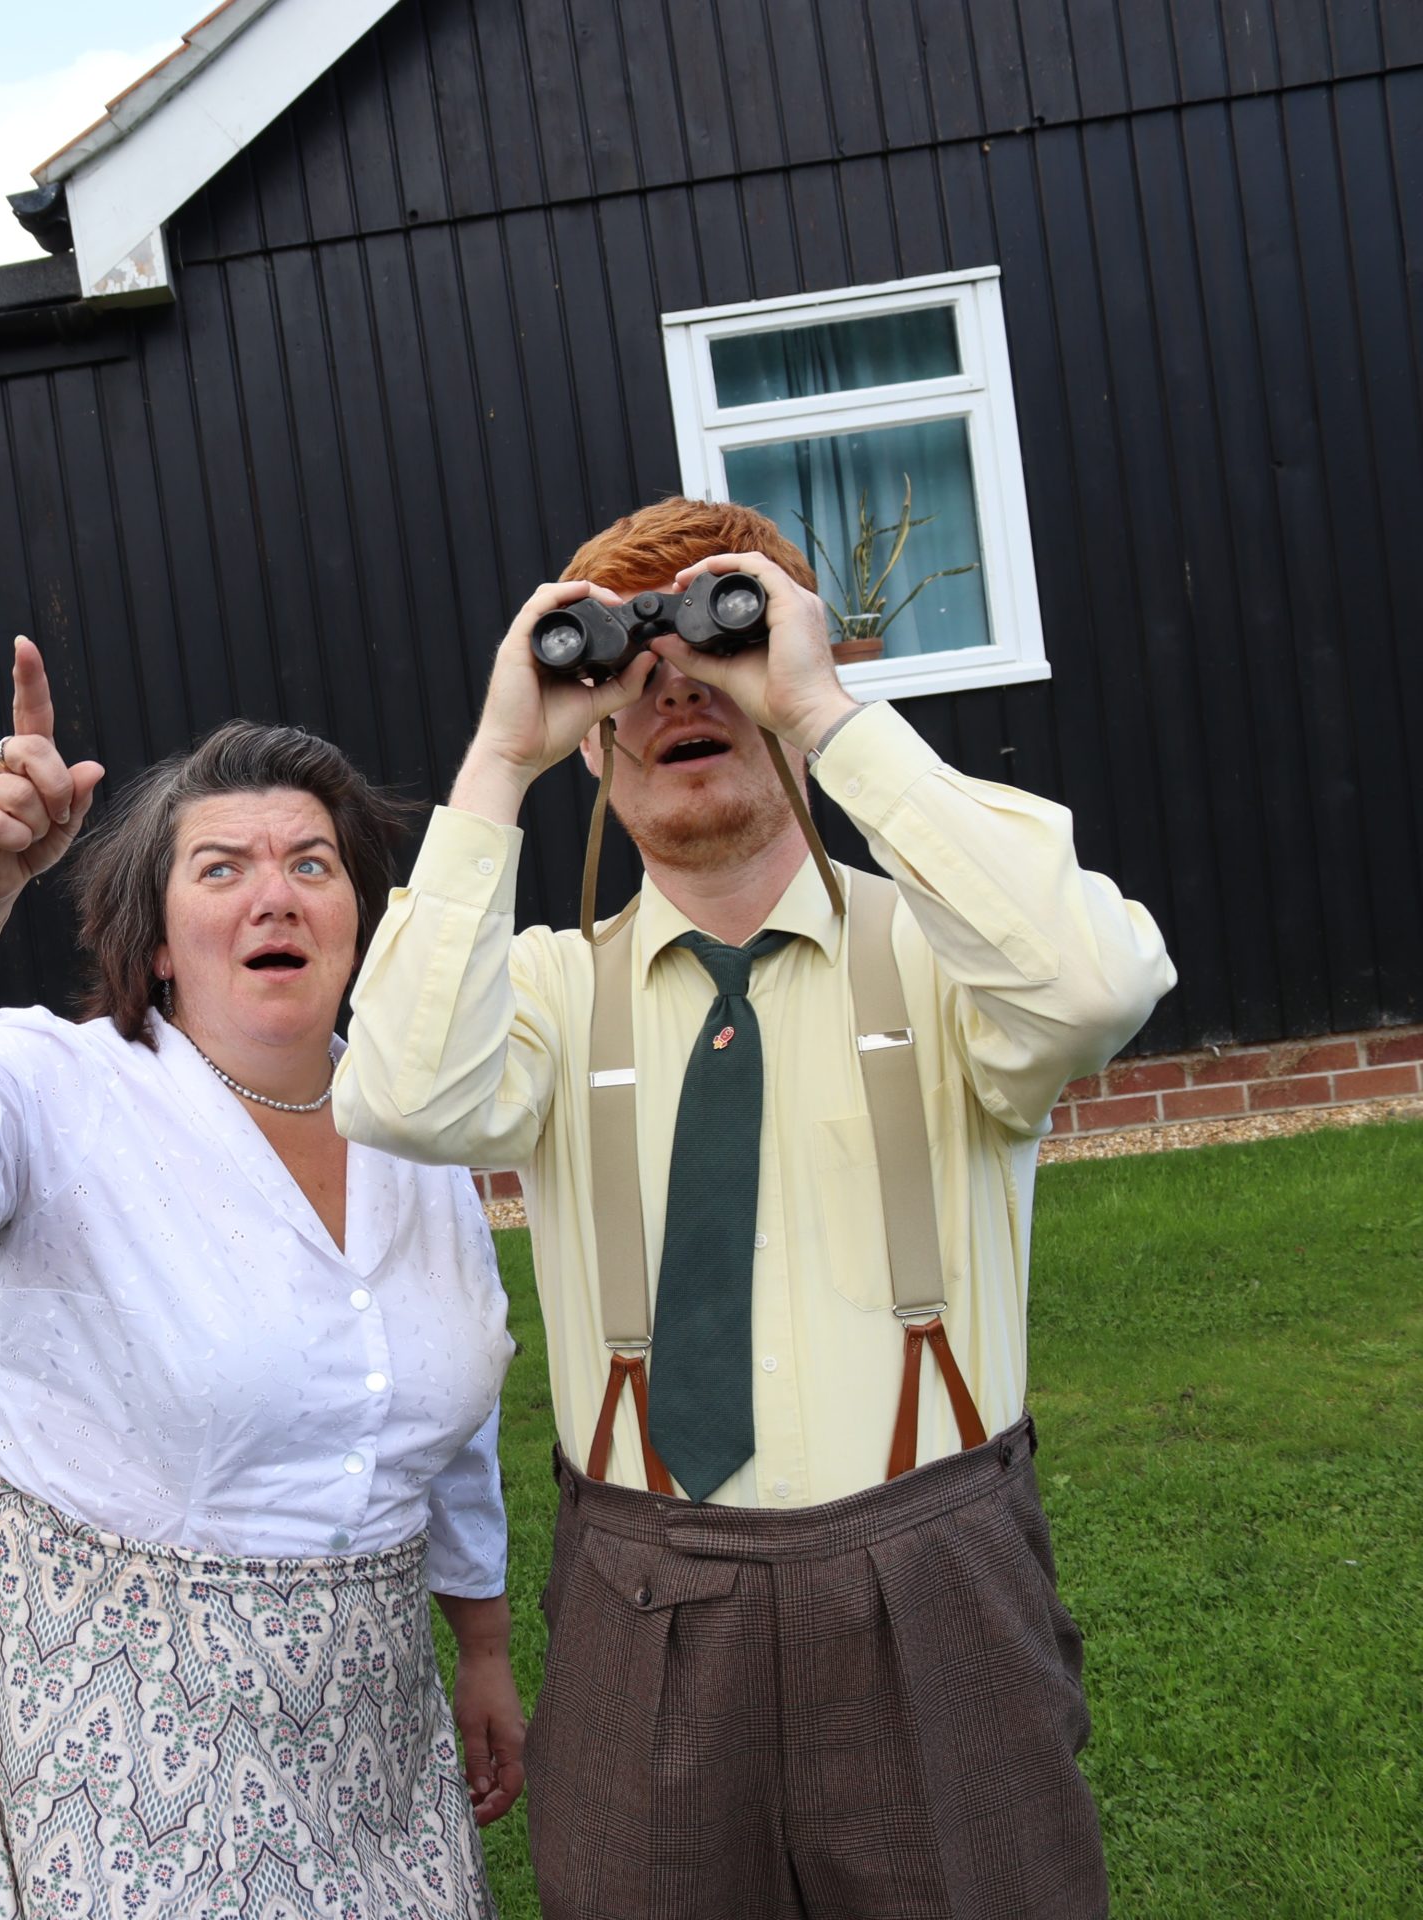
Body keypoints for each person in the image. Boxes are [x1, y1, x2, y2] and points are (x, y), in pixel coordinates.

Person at [335, 498, 1175, 1919]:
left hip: (934, 1578)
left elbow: (1094, 987)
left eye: (720, 654)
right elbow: (403, 1096)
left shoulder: (947, 959)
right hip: (641, 1601)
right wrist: (499, 758)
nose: (678, 691)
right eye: (634, 674)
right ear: (593, 739)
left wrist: (825, 710)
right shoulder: (548, 992)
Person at [0, 638, 525, 1920]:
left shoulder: (413, 1128)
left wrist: (481, 1647)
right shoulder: (69, 1087)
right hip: (94, 1699)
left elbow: (446, 1424)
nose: (275, 897)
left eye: (310, 864)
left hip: (363, 1718)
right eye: (222, 868)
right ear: (155, 945)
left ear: (357, 921)